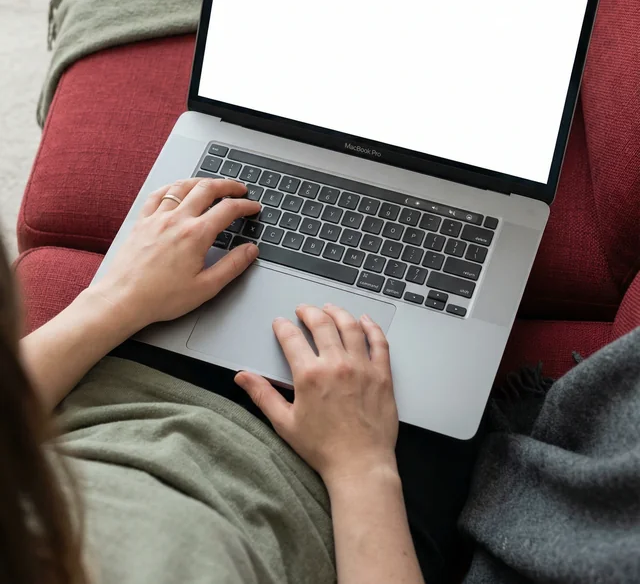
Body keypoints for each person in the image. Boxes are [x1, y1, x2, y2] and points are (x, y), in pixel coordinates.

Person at [2, 176, 482, 584]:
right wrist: (361, 465)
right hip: (323, 491)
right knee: (462, 380)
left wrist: (114, 298)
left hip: (112, 394)